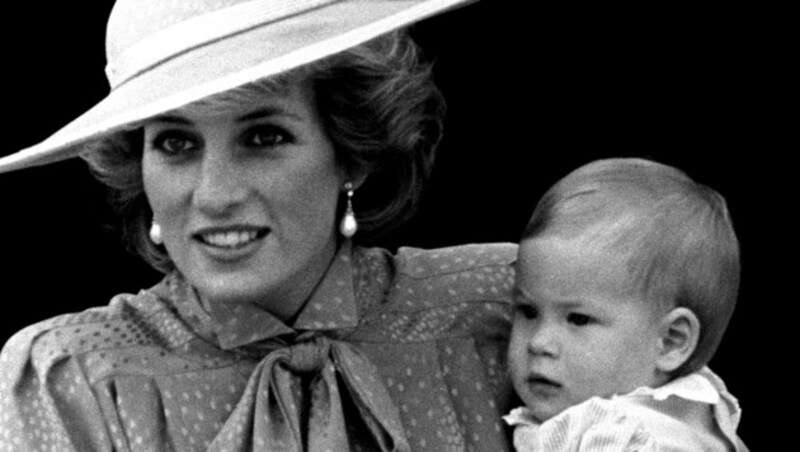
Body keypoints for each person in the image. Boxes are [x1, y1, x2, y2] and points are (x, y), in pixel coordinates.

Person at [0, 1, 519, 450]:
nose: (215, 195)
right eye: (176, 144)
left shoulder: (501, 313)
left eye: (264, 137)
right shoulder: (74, 376)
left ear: (352, 151)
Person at [503, 158, 748, 451]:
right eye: (528, 311)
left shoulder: (624, 437)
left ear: (670, 341)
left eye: (578, 319)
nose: (539, 343)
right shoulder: (687, 415)